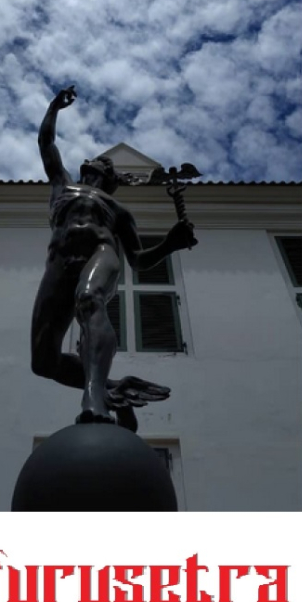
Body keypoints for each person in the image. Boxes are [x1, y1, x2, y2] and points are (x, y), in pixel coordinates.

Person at [30, 85, 198, 432]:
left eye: (105, 163)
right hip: (59, 264)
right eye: (99, 160)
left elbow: (137, 260)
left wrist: (170, 244)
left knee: (90, 299)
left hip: (100, 253)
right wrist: (54, 107)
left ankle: (94, 399)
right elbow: (46, 143)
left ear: (110, 178)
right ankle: (115, 388)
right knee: (43, 362)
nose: (98, 162)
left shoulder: (118, 209)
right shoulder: (62, 185)